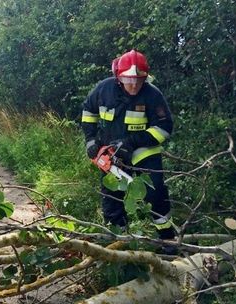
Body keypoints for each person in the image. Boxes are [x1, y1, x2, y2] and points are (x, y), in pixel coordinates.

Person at [80, 49, 176, 244]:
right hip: (112, 156)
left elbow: (165, 127)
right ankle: (120, 244)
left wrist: (132, 142)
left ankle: (169, 241)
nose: (133, 84)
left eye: (138, 80)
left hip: (144, 153)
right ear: (118, 77)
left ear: (145, 77)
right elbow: (88, 112)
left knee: (155, 195)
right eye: (128, 79)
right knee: (112, 201)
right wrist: (91, 140)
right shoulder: (103, 90)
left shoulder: (152, 94)